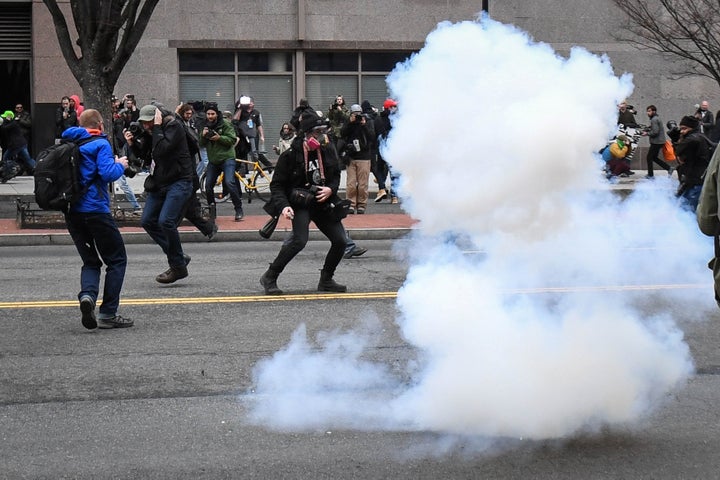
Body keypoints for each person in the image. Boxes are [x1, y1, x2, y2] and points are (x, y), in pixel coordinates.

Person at [259, 111, 347, 295]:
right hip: (300, 203)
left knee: (340, 240)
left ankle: (326, 280)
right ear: (306, 134)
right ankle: (270, 276)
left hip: (322, 202)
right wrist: (284, 206)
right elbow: (277, 185)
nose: (322, 136)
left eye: (324, 131)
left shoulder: (328, 149)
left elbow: (336, 175)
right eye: (317, 132)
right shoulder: (290, 155)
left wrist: (331, 189)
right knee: (299, 240)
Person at [61, 109, 133, 329]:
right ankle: (108, 313)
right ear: (100, 124)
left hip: (73, 212)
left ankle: (88, 296)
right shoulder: (100, 144)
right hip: (96, 211)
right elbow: (107, 174)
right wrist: (120, 164)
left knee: (91, 261)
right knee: (117, 260)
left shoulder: (70, 142)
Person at [124, 104, 194, 284]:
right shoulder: (152, 132)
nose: (145, 126)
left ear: (157, 118)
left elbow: (163, 150)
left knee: (166, 221)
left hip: (179, 180)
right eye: (144, 123)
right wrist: (132, 144)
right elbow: (148, 157)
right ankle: (178, 257)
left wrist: (155, 128)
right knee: (147, 221)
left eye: (148, 122)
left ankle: (178, 266)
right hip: (160, 182)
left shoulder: (173, 126)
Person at [176, 103, 218, 240]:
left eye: (190, 113)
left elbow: (192, 141)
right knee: (189, 210)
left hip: (187, 174)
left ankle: (167, 232)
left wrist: (176, 116)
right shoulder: (185, 125)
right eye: (186, 113)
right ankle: (208, 228)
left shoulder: (186, 127)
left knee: (180, 208)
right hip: (187, 174)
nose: (188, 116)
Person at [199, 102, 245, 221]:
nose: (210, 116)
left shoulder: (225, 124)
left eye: (212, 114)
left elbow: (232, 140)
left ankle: (238, 209)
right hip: (213, 160)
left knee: (229, 182)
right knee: (208, 185)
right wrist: (203, 136)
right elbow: (201, 144)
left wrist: (219, 138)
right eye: (208, 114)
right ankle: (212, 210)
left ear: (216, 113)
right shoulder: (205, 125)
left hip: (227, 158)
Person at [673, 115, 712, 211]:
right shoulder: (699, 137)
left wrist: (676, 141)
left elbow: (679, 153)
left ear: (692, 128)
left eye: (684, 129)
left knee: (688, 211)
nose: (681, 132)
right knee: (685, 209)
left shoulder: (693, 139)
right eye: (681, 129)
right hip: (692, 180)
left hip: (695, 181)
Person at [341, 103, 374, 214]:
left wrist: (364, 125)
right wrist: (350, 123)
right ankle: (351, 204)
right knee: (351, 183)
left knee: (362, 184)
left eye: (359, 114)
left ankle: (361, 205)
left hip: (364, 157)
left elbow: (372, 137)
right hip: (351, 156)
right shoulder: (348, 122)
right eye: (355, 114)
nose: (357, 116)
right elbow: (342, 134)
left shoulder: (367, 122)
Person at [0, 110, 35, 182]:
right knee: (28, 159)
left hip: (16, 145)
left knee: (5, 158)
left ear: (9, 117)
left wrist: (3, 123)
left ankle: (6, 174)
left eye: (5, 117)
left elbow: (4, 128)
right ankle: (38, 169)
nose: (3, 119)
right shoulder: (13, 123)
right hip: (21, 144)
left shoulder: (13, 124)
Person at [373, 98, 397, 202]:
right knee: (393, 172)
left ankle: (382, 188)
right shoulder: (395, 119)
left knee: (379, 169)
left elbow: (375, 134)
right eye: (394, 106)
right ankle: (394, 196)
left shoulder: (378, 119)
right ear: (390, 107)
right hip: (392, 148)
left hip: (381, 147)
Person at [643, 105, 673, 179]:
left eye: (649, 111)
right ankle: (669, 168)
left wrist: (647, 133)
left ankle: (650, 175)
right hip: (659, 141)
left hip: (656, 142)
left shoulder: (654, 120)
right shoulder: (656, 118)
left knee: (649, 157)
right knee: (654, 157)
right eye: (647, 111)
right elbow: (656, 129)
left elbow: (655, 132)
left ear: (654, 111)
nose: (648, 113)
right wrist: (649, 128)